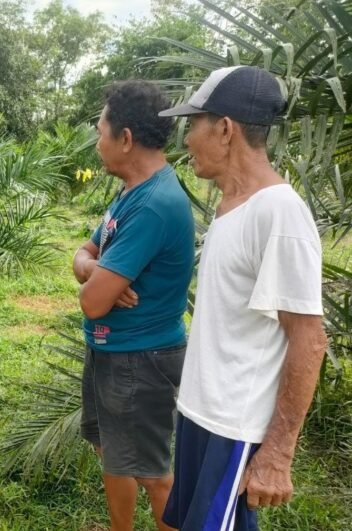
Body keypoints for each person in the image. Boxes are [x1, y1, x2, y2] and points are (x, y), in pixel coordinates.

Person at [158, 66, 327, 531]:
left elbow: (309, 339)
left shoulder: (279, 213)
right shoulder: (232, 206)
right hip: (200, 415)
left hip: (233, 427)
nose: (187, 139)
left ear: (225, 129)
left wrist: (277, 454)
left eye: (194, 123)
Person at [73, 81, 195, 531]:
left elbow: (91, 302)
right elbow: (83, 254)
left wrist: (94, 278)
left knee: (152, 473)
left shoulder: (154, 204)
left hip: (140, 359)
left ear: (125, 138)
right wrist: (94, 268)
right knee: (113, 453)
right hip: (114, 350)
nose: (97, 143)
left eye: (100, 132)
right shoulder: (131, 192)